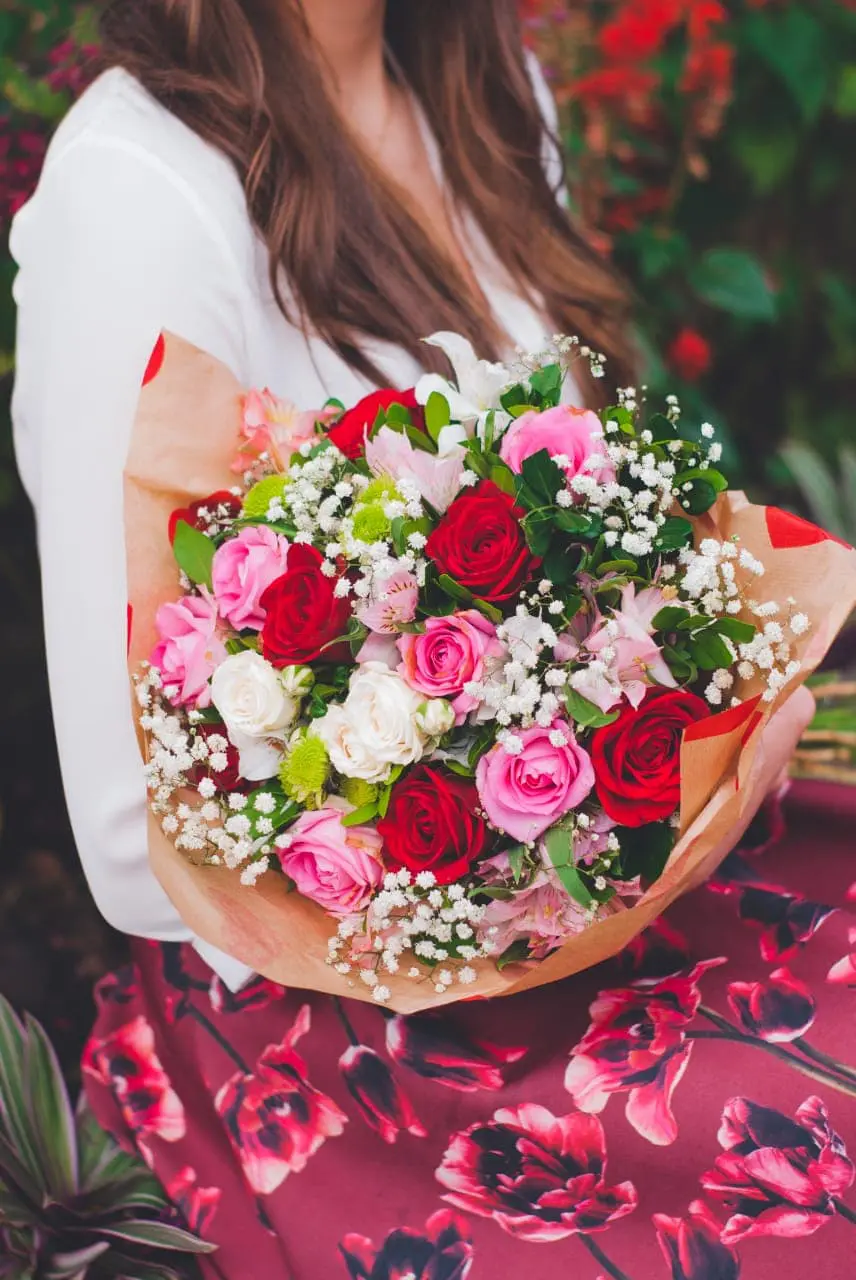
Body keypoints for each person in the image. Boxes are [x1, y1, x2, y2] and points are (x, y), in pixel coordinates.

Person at [13, 3, 848, 1279]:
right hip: (334, 1006)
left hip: (599, 873)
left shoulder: (489, 90)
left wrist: (679, 757)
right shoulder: (140, 191)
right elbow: (135, 842)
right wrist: (502, 876)